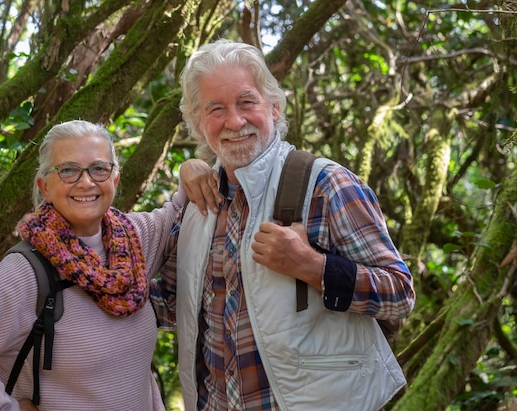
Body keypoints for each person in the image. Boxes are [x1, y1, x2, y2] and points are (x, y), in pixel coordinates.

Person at [149, 39, 416, 411]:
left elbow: (399, 294)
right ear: (197, 122)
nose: (234, 121)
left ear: (274, 107)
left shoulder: (325, 184)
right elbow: (171, 304)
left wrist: (313, 266)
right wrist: (87, 276)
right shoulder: (199, 204)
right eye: (215, 109)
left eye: (247, 102)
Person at [0, 119, 219, 411]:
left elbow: (183, 207)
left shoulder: (136, 241)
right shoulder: (27, 271)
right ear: (44, 186)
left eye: (99, 168)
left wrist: (193, 165)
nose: (86, 182)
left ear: (115, 179)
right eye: (68, 170)